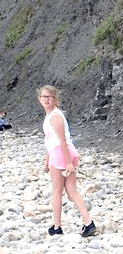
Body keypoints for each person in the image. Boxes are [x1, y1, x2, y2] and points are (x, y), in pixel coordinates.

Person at [37, 85, 96, 237]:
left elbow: (61, 140)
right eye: (44, 97)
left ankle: (57, 226)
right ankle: (88, 223)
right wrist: (47, 158)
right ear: (39, 99)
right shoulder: (51, 114)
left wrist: (68, 162)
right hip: (62, 152)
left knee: (57, 191)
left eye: (50, 97)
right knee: (71, 191)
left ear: (55, 99)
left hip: (61, 153)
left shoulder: (55, 116)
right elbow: (50, 139)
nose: (47, 99)